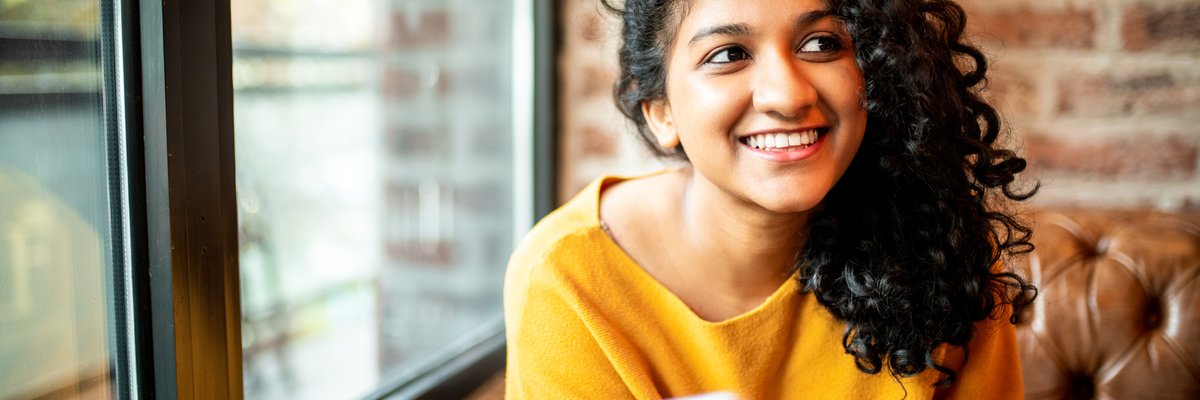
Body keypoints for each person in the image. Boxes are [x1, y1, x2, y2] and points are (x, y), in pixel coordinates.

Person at [504, 0, 1037, 398]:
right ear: (661, 111)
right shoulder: (567, 278)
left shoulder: (943, 247)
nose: (788, 95)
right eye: (728, 54)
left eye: (823, 44)